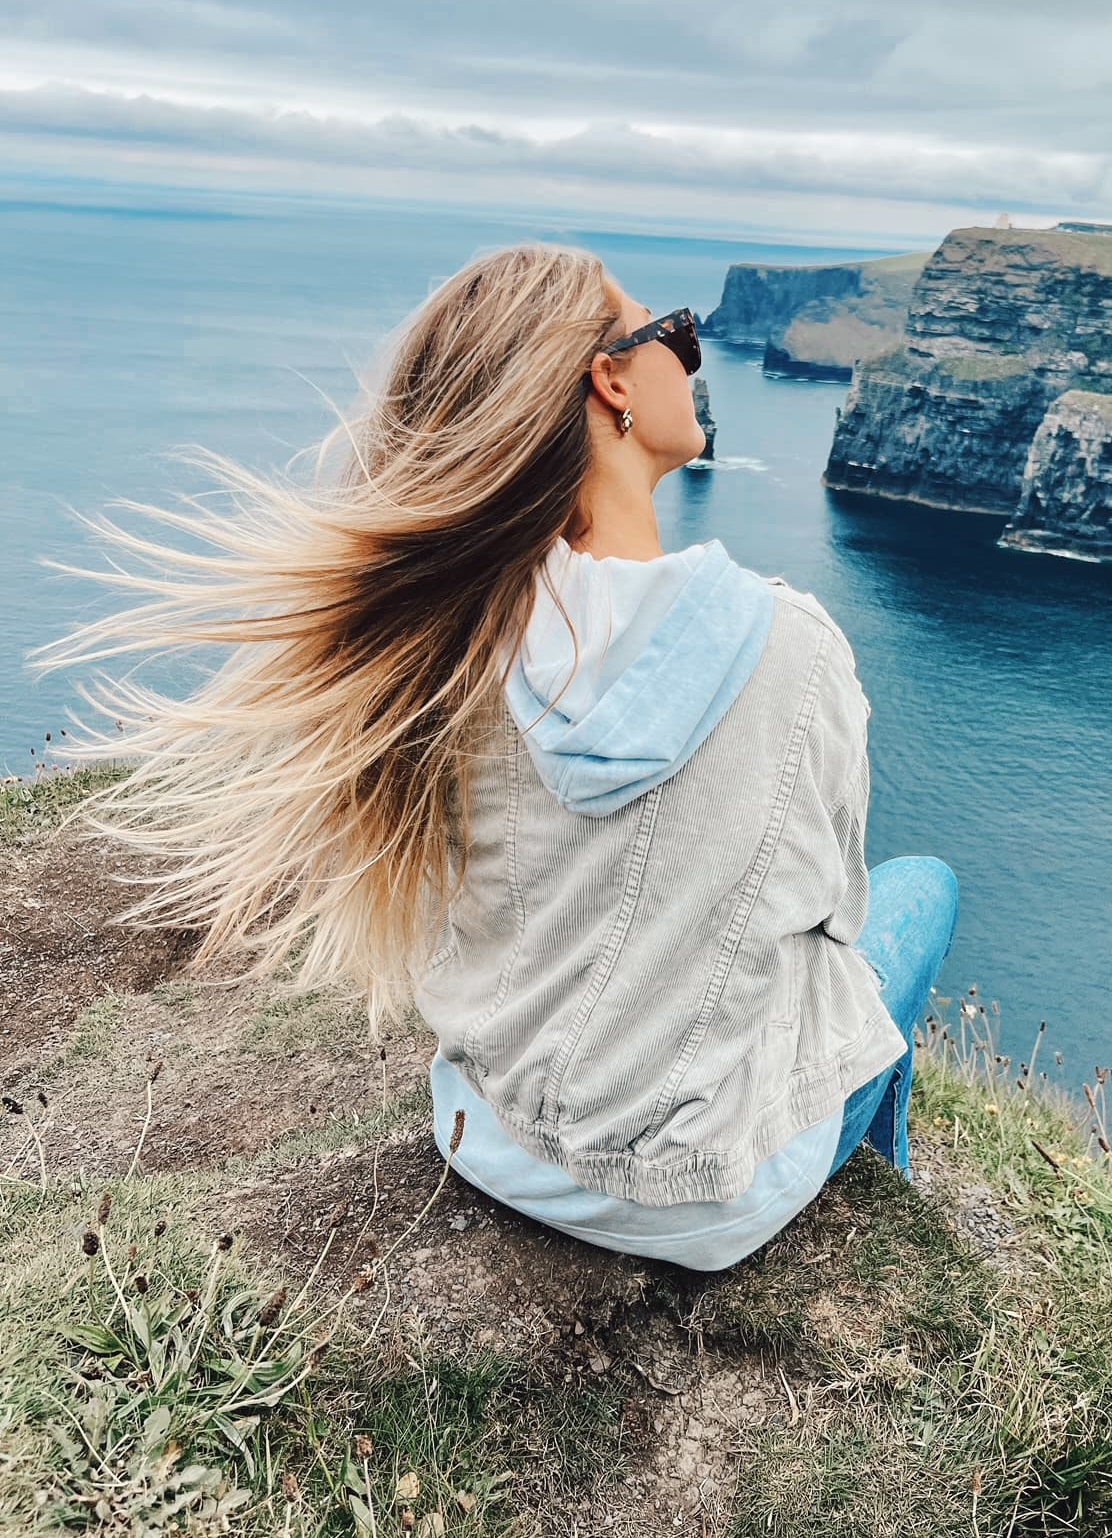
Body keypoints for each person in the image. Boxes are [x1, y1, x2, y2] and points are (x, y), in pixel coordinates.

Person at [29, 242, 959, 1272]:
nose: (693, 363)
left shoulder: (449, 639)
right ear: (610, 380)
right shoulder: (795, 646)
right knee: (922, 892)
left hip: (488, 1144)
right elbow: (836, 910)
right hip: (704, 1206)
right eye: (676, 336)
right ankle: (887, 1171)